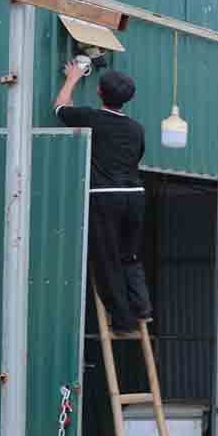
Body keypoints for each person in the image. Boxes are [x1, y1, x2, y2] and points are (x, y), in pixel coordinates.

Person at [55, 60, 151, 334]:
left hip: (106, 197)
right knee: (129, 254)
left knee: (106, 259)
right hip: (135, 194)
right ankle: (141, 306)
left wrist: (72, 78)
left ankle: (123, 321)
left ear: (99, 93)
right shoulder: (136, 128)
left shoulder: (91, 118)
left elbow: (61, 107)